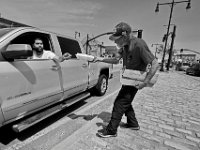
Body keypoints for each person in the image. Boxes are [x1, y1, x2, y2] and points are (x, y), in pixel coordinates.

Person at [94, 22, 159, 138]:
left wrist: (145, 82)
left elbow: (154, 64)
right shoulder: (124, 46)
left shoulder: (139, 45)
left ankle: (111, 130)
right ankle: (132, 123)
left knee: (119, 103)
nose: (114, 41)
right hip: (128, 79)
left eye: (116, 39)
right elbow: (115, 60)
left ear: (125, 36)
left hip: (136, 80)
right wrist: (98, 59)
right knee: (126, 102)